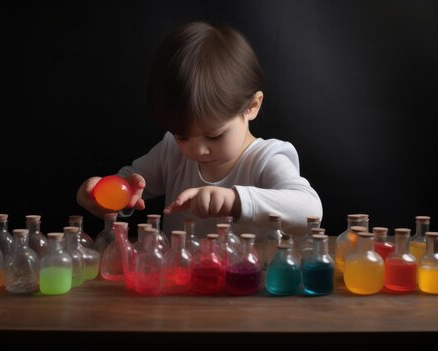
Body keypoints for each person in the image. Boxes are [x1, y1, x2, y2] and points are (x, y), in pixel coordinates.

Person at [77, 20, 322, 237]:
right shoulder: (171, 151)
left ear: (251, 106)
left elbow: (310, 209)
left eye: (214, 135)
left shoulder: (266, 159)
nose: (197, 150)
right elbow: (128, 184)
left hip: (248, 285)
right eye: (182, 136)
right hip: (181, 284)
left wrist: (234, 201)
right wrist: (102, 195)